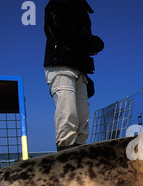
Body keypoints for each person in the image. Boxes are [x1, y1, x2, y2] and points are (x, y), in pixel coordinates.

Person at [43, 0, 104, 151]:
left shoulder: (82, 8)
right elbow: (68, 32)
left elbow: (75, 37)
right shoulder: (59, 4)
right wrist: (94, 43)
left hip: (79, 69)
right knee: (68, 114)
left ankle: (78, 160)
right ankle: (65, 163)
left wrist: (88, 47)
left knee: (83, 119)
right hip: (61, 65)